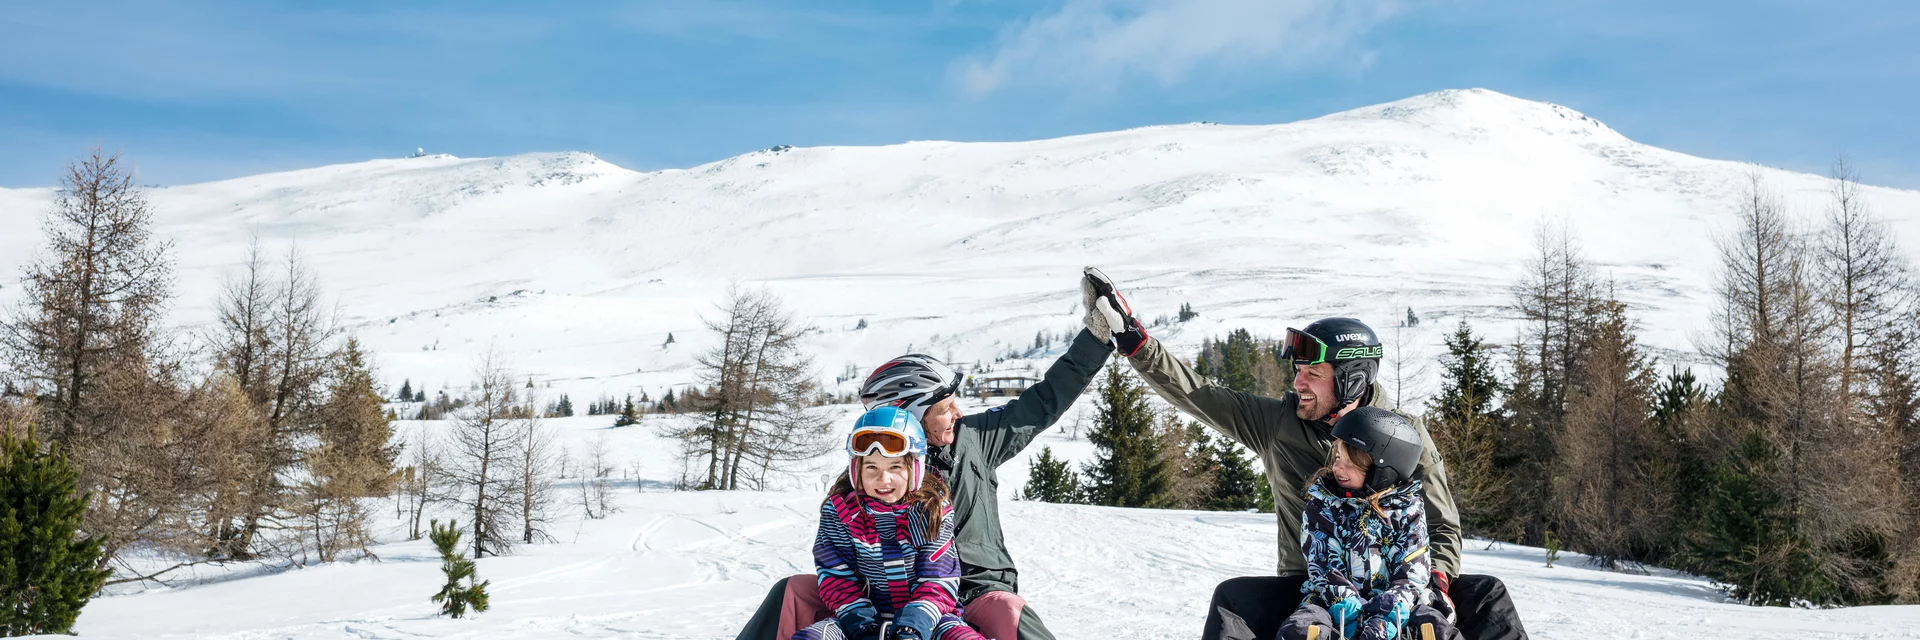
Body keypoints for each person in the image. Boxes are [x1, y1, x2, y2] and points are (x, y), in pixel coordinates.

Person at [1080, 267, 1527, 640]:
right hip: (1312, 584)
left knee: (1488, 595)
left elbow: (1441, 522)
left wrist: (1438, 582)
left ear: (1351, 379)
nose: (1298, 383)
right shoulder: (1279, 424)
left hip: (1403, 585)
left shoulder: (1404, 434)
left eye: (1314, 373)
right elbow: (1200, 394)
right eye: (1298, 372)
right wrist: (1133, 341)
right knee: (1232, 600)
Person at [736, 329, 1113, 640]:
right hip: (880, 595)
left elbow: (1042, 402)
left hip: (971, 591)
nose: (957, 413)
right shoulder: (877, 470)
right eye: (945, 407)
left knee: (1009, 611)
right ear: (912, 414)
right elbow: (838, 556)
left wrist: (1095, 340)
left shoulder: (973, 439)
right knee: (791, 590)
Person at [794, 407, 985, 640]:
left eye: (895, 467)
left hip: (931, 620)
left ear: (914, 469)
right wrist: (864, 627)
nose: (883, 480)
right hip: (857, 620)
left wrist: (911, 628)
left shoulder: (930, 512)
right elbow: (836, 577)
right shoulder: (841, 514)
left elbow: (937, 581)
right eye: (871, 467)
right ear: (857, 469)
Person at [1279, 407, 1459, 640]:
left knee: (1438, 628)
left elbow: (1413, 569)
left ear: (1383, 471)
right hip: (1328, 602)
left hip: (1398, 607)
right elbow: (1322, 564)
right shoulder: (1323, 505)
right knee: (1299, 628)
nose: (1337, 468)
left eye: (1351, 463)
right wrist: (1346, 604)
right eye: (1337, 458)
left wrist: (1389, 611)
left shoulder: (1408, 511)